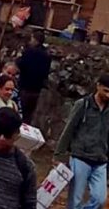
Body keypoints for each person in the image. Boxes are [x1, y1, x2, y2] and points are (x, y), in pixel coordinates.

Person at [54, 73, 109, 209]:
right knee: (75, 200)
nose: (108, 95)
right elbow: (69, 129)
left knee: (100, 199)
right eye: (106, 91)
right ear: (98, 86)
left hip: (101, 159)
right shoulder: (83, 105)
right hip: (80, 157)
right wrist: (58, 154)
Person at [16, 31, 51, 123]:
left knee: (19, 111)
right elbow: (46, 72)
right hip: (36, 90)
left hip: (25, 86)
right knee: (29, 115)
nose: (30, 41)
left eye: (32, 39)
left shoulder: (29, 52)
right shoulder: (46, 55)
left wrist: (19, 57)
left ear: (36, 40)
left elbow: (21, 64)